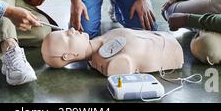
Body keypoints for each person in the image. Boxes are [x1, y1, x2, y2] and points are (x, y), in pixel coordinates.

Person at [41, 28, 183, 76]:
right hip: (172, 52)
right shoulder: (111, 63)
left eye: (65, 31)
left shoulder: (102, 40)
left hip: (166, 39)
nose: (71, 29)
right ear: (68, 56)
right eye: (66, 36)